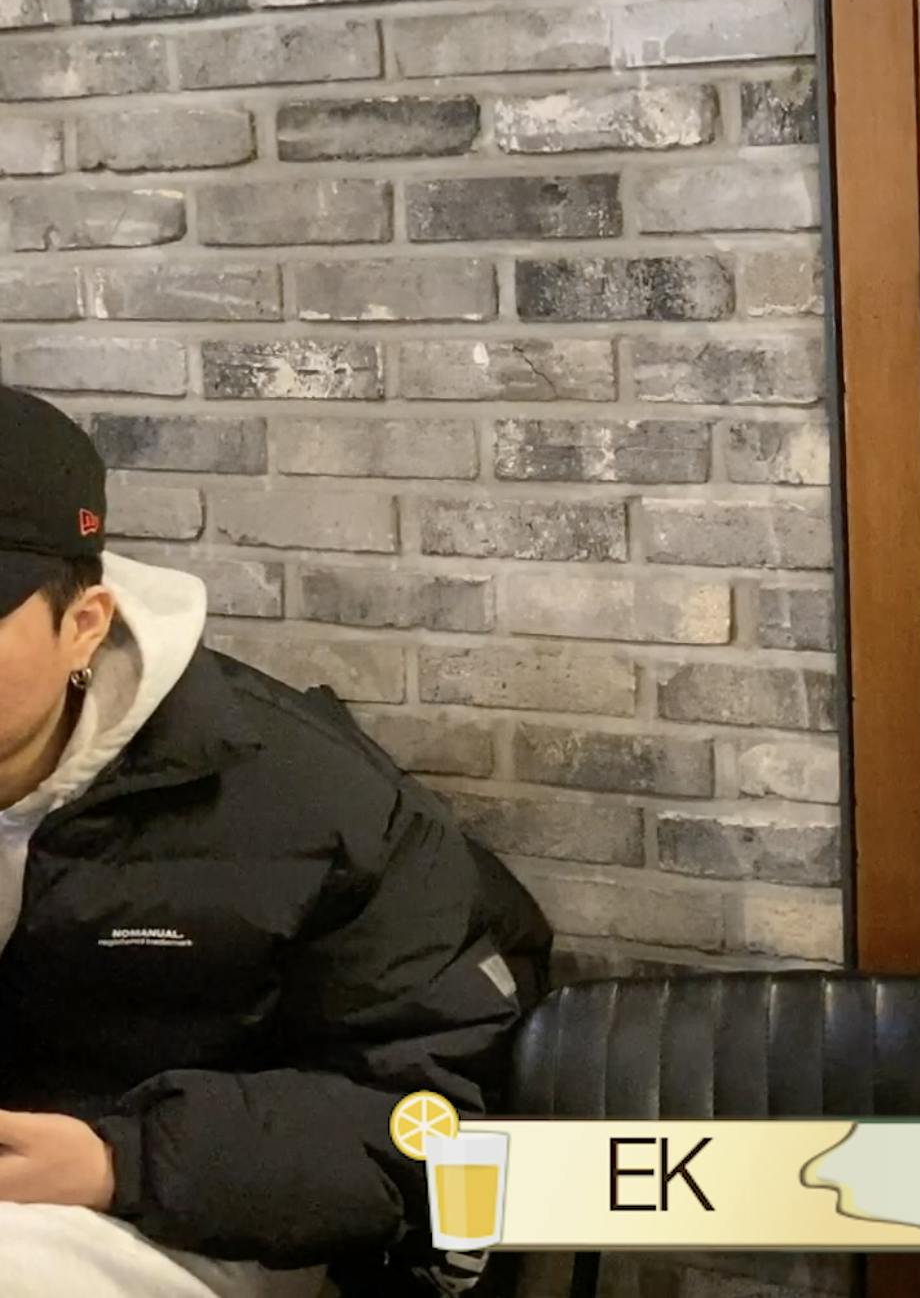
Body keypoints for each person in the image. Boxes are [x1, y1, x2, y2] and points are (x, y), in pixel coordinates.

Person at [0, 388, 552, 1298]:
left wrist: (119, 1161)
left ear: (84, 624)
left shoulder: (312, 806)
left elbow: (426, 1120)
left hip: (198, 1217)